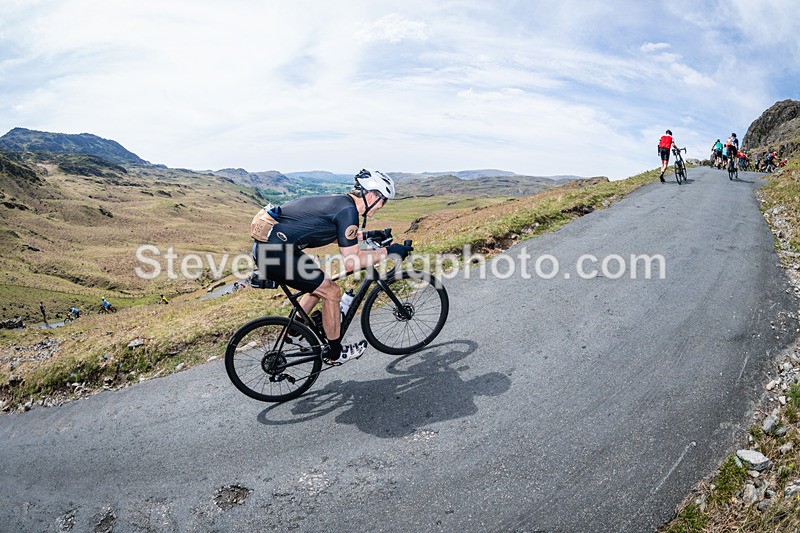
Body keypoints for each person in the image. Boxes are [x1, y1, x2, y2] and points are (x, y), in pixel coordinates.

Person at [252, 169, 412, 365]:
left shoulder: (342, 204)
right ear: (372, 195)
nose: (382, 206)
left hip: (272, 248)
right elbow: (352, 261)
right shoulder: (349, 211)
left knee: (320, 282)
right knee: (331, 291)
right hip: (275, 254)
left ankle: (293, 332)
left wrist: (371, 234)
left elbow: (339, 233)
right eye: (383, 201)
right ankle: (336, 353)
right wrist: (390, 252)